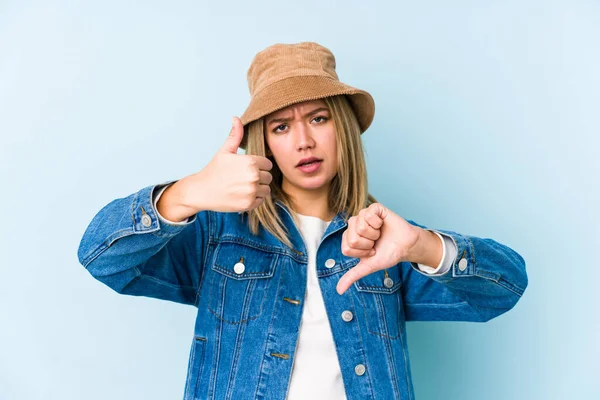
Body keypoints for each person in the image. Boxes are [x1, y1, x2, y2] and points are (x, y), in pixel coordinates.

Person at [77, 42, 528, 400]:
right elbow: (101, 257)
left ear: (344, 130)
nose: (304, 141)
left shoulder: (383, 238)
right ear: (264, 143)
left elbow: (504, 290)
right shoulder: (218, 234)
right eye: (281, 127)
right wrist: (187, 192)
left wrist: (424, 247)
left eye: (318, 118)